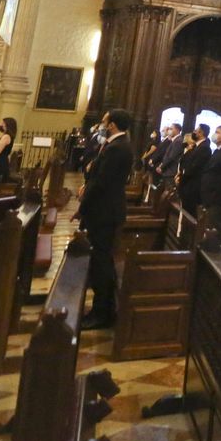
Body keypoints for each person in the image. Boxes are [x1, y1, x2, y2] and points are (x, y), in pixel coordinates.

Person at [79, 109, 134, 330]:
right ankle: (102, 308)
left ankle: (102, 312)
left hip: (104, 211)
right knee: (99, 259)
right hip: (102, 210)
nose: (101, 124)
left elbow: (101, 182)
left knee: (101, 261)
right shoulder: (114, 146)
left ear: (112, 125)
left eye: (104, 121)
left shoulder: (118, 148)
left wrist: (83, 206)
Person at [176, 129, 208, 214]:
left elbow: (194, 167)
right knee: (184, 209)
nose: (194, 132)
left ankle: (187, 227)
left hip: (192, 184)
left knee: (190, 212)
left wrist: (181, 176)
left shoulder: (204, 148)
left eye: (196, 131)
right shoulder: (195, 148)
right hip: (186, 182)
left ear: (201, 133)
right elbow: (185, 163)